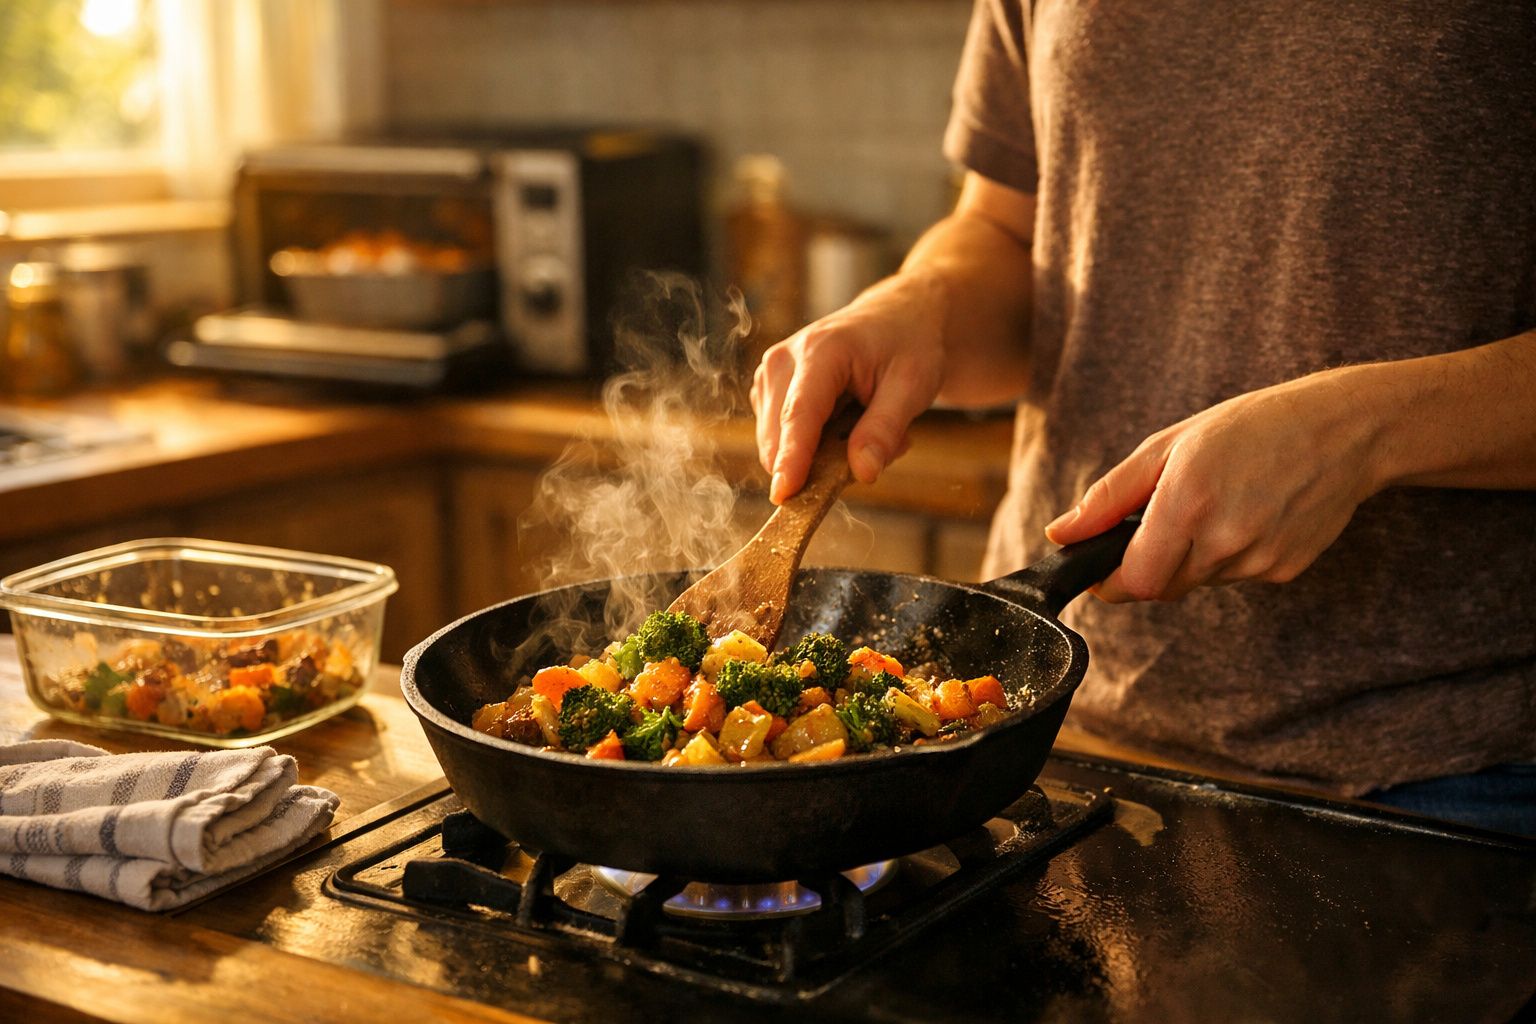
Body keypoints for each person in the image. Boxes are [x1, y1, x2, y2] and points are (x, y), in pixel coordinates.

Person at [750, 2, 1536, 834]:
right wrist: (921, 304)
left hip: (1444, 775)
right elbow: (1006, 230)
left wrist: (1360, 433)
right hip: (1031, 725)